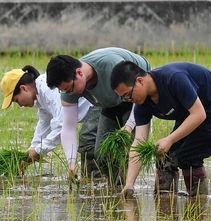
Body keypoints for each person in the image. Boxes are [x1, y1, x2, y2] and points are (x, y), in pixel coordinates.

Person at [110, 60, 211, 198]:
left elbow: (199, 114)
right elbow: (139, 142)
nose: (128, 100)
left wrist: (170, 139)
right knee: (164, 154)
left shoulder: (174, 78)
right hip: (191, 112)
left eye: (128, 95)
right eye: (124, 98)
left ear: (140, 81)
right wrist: (129, 184)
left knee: (188, 156)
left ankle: (198, 202)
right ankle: (165, 202)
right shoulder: (142, 103)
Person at [45, 48, 150, 183]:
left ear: (79, 73)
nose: (69, 93)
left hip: (136, 96)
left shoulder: (113, 66)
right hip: (109, 102)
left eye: (70, 89)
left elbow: (139, 95)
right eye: (64, 90)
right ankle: (115, 187)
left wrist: (128, 126)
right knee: (101, 153)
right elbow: (68, 127)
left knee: (130, 150)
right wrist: (71, 163)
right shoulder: (68, 88)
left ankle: (127, 188)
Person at [0, 65, 91, 175]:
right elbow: (44, 124)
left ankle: (95, 180)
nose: (20, 105)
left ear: (24, 88)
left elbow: (62, 125)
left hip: (95, 106)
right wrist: (31, 151)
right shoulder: (40, 96)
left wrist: (38, 151)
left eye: (16, 100)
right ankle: (92, 180)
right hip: (89, 114)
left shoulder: (47, 89)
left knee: (88, 142)